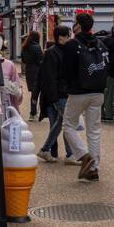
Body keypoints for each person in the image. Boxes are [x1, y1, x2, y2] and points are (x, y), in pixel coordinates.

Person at [61, 14, 109, 179]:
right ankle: (94, 168)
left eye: (75, 24)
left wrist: (65, 86)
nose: (73, 26)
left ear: (79, 26)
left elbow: (66, 69)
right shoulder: (100, 44)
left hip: (78, 92)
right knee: (94, 131)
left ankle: (83, 156)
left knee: (68, 126)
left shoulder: (72, 45)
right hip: (98, 92)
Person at [37, 26, 72, 162]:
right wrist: (54, 97)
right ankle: (70, 154)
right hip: (58, 95)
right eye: (67, 35)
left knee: (60, 123)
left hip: (63, 93)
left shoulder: (64, 51)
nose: (69, 38)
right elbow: (49, 77)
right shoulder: (52, 53)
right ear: (61, 37)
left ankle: (46, 150)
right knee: (68, 123)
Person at [20, 31, 44, 119]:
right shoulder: (37, 47)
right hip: (37, 71)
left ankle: (33, 113)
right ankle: (36, 112)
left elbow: (23, 60)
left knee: (34, 93)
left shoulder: (24, 47)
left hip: (29, 71)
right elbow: (41, 60)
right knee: (39, 92)